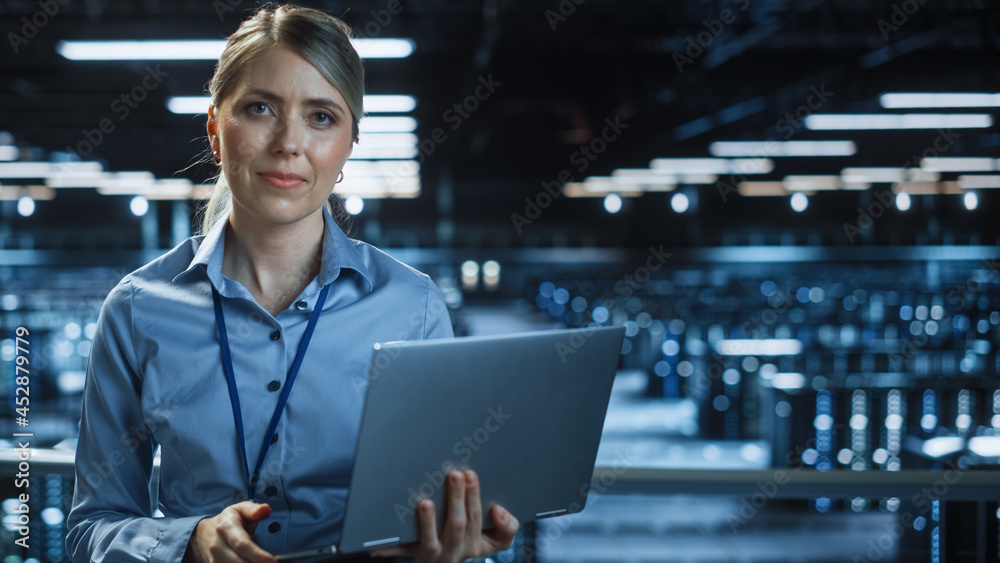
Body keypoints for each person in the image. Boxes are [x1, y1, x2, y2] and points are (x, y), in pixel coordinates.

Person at [65, 5, 519, 562]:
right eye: (260, 109)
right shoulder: (136, 311)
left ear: (350, 143)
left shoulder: (413, 307)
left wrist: (447, 541)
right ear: (215, 128)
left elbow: (436, 503)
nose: (288, 143)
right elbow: (91, 527)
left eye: (321, 117)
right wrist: (187, 542)